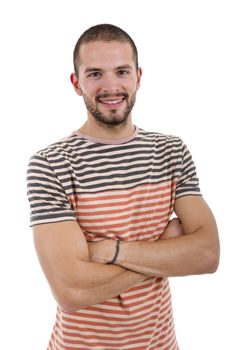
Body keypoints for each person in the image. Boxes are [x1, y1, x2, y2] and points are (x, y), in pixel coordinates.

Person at [27, 24, 220, 350]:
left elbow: (207, 254)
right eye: (95, 74)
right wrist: (166, 251)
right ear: (76, 83)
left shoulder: (171, 151)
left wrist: (113, 251)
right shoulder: (51, 164)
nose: (111, 86)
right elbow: (72, 292)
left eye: (121, 71)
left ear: (138, 77)